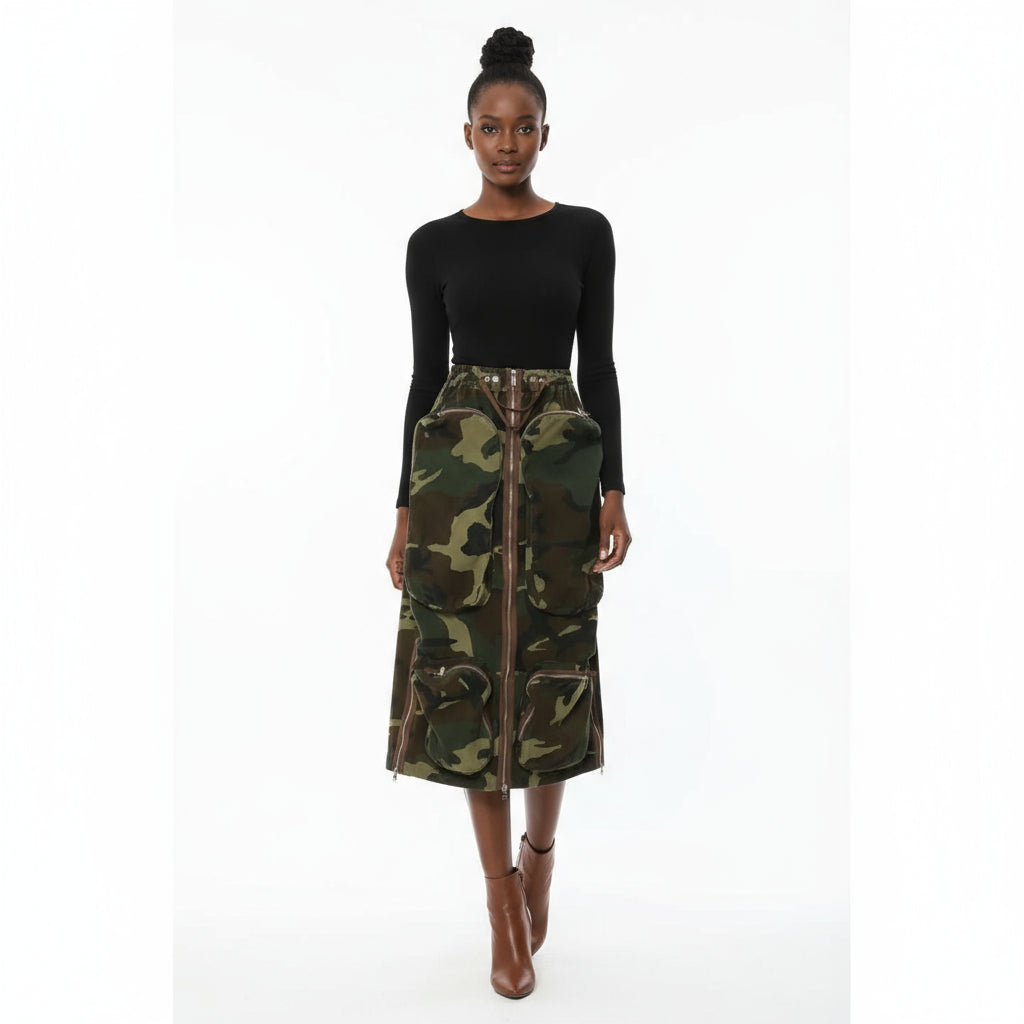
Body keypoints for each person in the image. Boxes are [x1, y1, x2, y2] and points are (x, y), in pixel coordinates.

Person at [383, 26, 631, 999]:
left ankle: (540, 861)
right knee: (469, 680)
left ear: (544, 134)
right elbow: (423, 381)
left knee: (551, 673)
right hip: (458, 490)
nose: (506, 144)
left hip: (562, 483)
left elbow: (598, 367)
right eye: (490, 128)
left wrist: (614, 488)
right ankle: (499, 904)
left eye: (523, 127)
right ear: (467, 134)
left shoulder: (586, 234)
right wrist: (406, 509)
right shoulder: (432, 246)